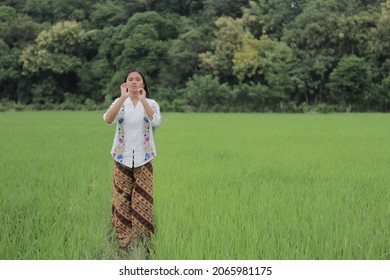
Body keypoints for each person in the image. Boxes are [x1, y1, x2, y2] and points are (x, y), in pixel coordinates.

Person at [103, 69, 162, 248]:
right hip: (122, 155)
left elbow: (156, 121)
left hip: (145, 155)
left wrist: (143, 100)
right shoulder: (120, 103)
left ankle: (140, 234)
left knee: (143, 195)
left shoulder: (151, 103)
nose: (134, 82)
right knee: (122, 195)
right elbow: (107, 119)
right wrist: (122, 97)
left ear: (143, 84)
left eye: (138, 79)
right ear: (125, 84)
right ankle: (123, 232)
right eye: (131, 79)